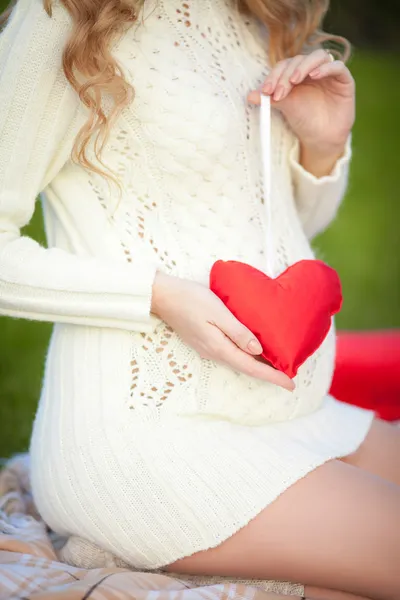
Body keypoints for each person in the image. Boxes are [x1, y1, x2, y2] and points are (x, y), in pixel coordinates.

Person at [0, 0, 399, 598]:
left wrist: (323, 146)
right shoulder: (65, 15)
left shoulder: (259, 15)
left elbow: (279, 229)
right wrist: (157, 296)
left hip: (297, 416)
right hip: (152, 438)